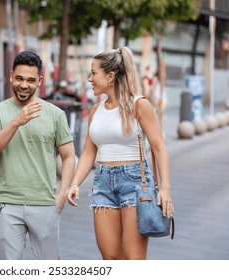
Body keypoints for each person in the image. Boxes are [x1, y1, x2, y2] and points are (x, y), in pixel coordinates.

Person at [67, 47, 174, 260]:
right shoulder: (95, 111)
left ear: (110, 77)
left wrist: (165, 188)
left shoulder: (139, 105)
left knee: (132, 259)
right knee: (110, 258)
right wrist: (75, 183)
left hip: (135, 183)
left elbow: (159, 147)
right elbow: (89, 152)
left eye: (93, 73)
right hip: (103, 184)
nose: (90, 79)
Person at [0, 51, 76, 260]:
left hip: (45, 203)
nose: (24, 85)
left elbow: (69, 156)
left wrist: (62, 193)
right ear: (11, 76)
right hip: (7, 203)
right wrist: (16, 121)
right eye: (19, 78)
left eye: (31, 80)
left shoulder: (54, 114)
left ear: (40, 81)